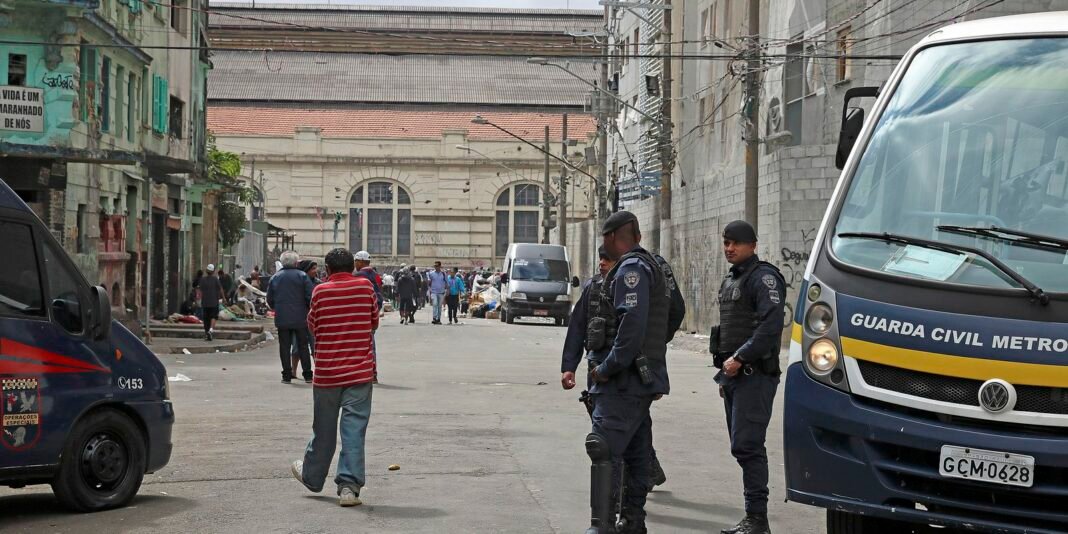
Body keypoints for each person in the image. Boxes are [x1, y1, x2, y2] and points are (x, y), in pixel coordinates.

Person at [576, 211, 671, 533]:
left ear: (611, 237)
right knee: (637, 453)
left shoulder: (631, 269)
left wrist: (608, 367)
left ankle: (601, 526)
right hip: (638, 380)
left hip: (622, 381)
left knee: (602, 447)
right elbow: (670, 315)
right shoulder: (650, 265)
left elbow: (631, 325)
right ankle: (632, 523)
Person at [712, 220, 786, 534]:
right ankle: (754, 518)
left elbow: (770, 328)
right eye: (726, 243)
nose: (729, 248)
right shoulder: (732, 279)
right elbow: (729, 331)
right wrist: (725, 371)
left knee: (748, 445)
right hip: (734, 376)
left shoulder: (764, 278)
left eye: (736, 243)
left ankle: (757, 519)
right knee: (741, 446)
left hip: (755, 375)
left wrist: (740, 358)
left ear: (752, 245)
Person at [290, 247, 379, 508]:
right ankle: (349, 488)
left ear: (327, 270)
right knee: (354, 431)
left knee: (324, 430)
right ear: (353, 267)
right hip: (359, 373)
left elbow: (313, 324)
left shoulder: (320, 291)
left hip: (327, 373)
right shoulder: (365, 288)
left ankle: (312, 477)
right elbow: (374, 322)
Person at [266, 251, 315, 384]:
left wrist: (277, 308)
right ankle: (308, 375)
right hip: (301, 318)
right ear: (295, 263)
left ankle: (286, 375)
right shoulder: (302, 276)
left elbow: (269, 299)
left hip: (282, 317)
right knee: (303, 346)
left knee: (284, 346)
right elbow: (310, 297)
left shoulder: (275, 277)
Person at [199, 264, 226, 341]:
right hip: (214, 302)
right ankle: (210, 330)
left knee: (206, 318)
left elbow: (200, 291)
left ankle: (207, 333)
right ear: (213, 271)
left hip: (205, 302)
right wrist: (224, 298)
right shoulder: (215, 279)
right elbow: (220, 289)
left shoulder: (203, 280)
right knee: (213, 316)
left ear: (206, 271)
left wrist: (198, 300)